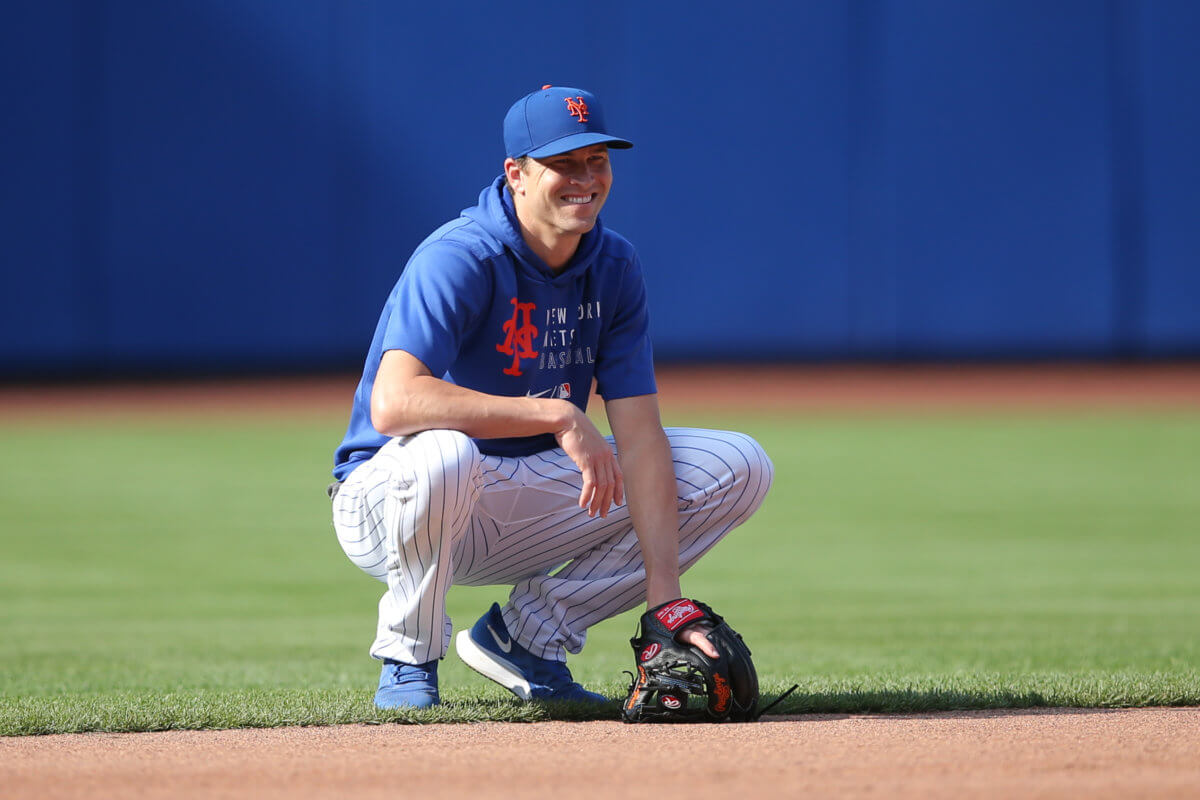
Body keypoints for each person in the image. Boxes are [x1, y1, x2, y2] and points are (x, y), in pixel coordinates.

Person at [328, 85, 773, 709]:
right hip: (391, 499)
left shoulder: (614, 265)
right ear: (516, 174)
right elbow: (393, 404)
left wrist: (665, 600)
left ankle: (530, 638)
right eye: (565, 163)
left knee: (738, 467)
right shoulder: (461, 256)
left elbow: (641, 436)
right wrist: (556, 413)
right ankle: (409, 653)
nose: (585, 179)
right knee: (445, 456)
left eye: (598, 161)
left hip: (522, 492)